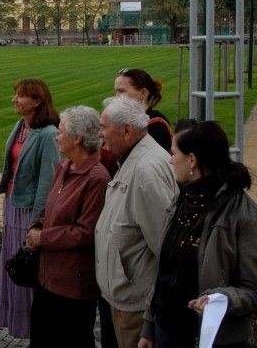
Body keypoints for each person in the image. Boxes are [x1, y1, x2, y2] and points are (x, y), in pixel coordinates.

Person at [139, 121, 257, 348]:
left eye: (174, 153)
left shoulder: (242, 215)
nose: (170, 159)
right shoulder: (181, 201)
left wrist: (223, 299)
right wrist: (149, 325)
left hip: (213, 339)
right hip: (167, 332)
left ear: (192, 160)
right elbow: (163, 270)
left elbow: (252, 290)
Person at [95, 96, 178, 348]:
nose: (100, 134)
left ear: (127, 130)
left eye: (104, 127)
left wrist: (152, 317)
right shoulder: (133, 157)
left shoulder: (145, 170)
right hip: (126, 296)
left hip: (136, 304)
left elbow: (164, 244)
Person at [26, 106, 110, 347]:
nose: (56, 136)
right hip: (46, 277)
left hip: (73, 285)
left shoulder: (97, 178)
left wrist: (44, 238)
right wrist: (36, 226)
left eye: (61, 132)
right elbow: (48, 207)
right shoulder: (64, 167)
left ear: (77, 139)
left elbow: (86, 233)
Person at [0, 78, 60, 339]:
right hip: (12, 203)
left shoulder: (48, 134)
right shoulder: (21, 125)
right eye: (15, 94)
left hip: (29, 210)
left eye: (20, 96)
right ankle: (17, 322)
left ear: (37, 101)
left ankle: (33, 326)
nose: (14, 99)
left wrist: (37, 220)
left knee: (27, 267)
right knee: (13, 261)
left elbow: (48, 180)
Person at [114, 68, 172, 152]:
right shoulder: (123, 120)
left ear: (143, 93)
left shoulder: (156, 126)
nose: (116, 97)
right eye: (116, 91)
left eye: (121, 91)